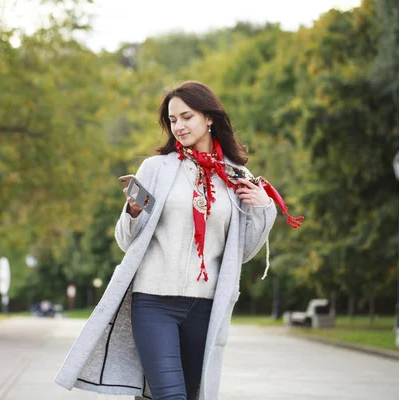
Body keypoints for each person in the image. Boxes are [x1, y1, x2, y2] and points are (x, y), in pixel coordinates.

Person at [55, 81, 301, 400]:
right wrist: (132, 211)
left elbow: (242, 252)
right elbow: (125, 239)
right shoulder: (156, 169)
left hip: (205, 306)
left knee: (182, 394)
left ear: (209, 118)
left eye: (187, 117)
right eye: (172, 120)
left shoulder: (236, 175)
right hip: (154, 301)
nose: (179, 126)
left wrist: (263, 208)